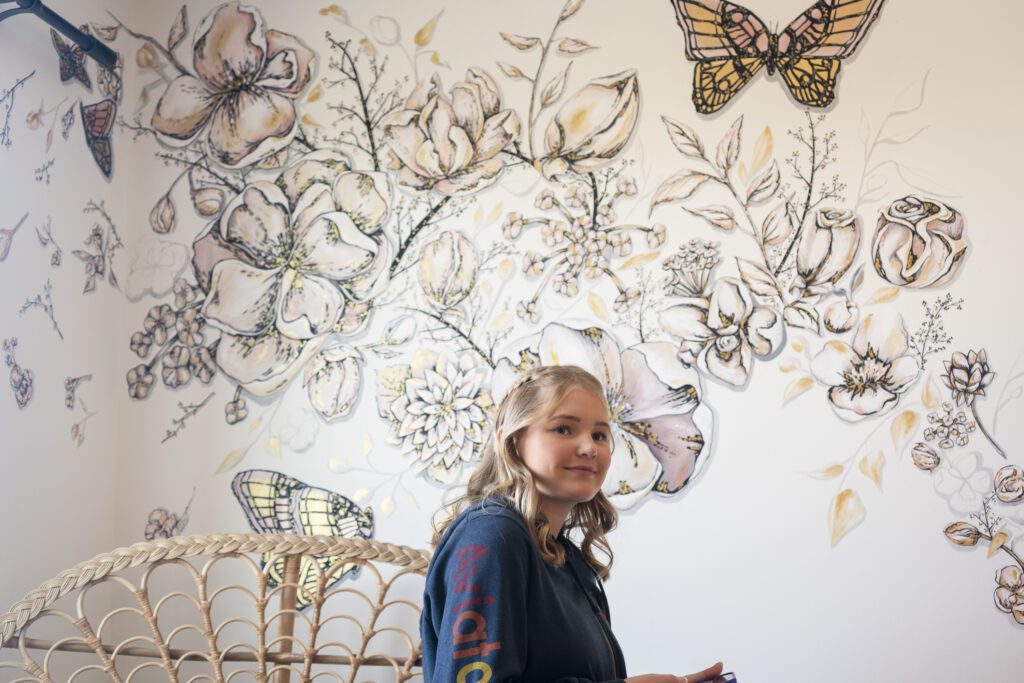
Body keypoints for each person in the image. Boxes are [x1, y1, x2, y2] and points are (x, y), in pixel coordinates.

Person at [421, 364, 728, 683]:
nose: (589, 448)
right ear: (512, 441)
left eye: (600, 434)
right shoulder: (490, 536)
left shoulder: (567, 560)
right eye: (564, 429)